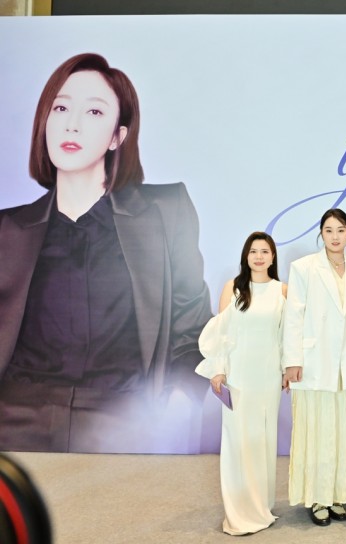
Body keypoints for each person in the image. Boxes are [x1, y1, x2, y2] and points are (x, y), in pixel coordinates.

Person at [0, 53, 212, 453]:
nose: (72, 124)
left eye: (94, 112)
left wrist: (182, 400)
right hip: (15, 421)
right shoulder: (7, 229)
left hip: (124, 421)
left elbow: (193, 327)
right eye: (61, 108)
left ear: (118, 136)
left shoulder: (166, 211)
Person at [195, 232, 286, 536]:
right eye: (253, 251)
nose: (259, 257)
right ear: (246, 256)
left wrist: (287, 370)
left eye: (265, 251)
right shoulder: (232, 288)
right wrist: (218, 370)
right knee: (238, 442)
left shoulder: (282, 290)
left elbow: (285, 336)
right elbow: (222, 332)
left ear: (273, 257)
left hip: (268, 377)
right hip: (238, 377)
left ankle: (262, 505)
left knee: (263, 440)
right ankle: (239, 512)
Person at [282, 209, 346, 526]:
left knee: (344, 432)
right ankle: (317, 497)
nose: (335, 236)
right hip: (314, 363)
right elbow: (293, 316)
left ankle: (337, 494)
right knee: (315, 432)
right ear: (321, 234)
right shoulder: (304, 267)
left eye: (340, 230)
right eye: (328, 230)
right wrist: (292, 360)